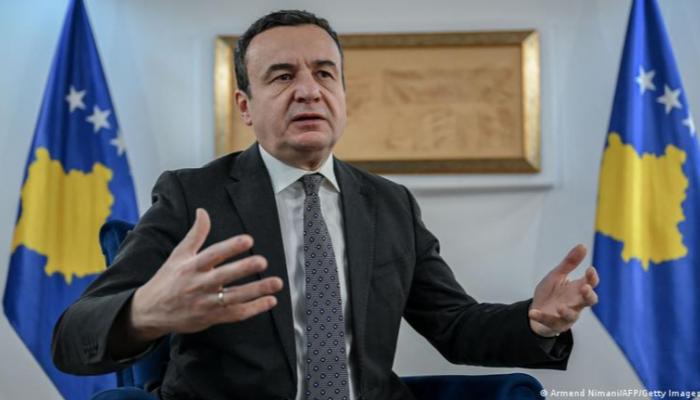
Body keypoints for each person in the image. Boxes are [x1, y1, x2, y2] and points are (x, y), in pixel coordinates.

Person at [52, 10, 599, 400]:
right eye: (282, 76)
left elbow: (454, 325)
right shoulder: (192, 197)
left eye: (324, 73)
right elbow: (73, 336)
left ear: (342, 96)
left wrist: (536, 322)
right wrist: (145, 310)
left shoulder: (389, 204)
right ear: (245, 105)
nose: (309, 90)